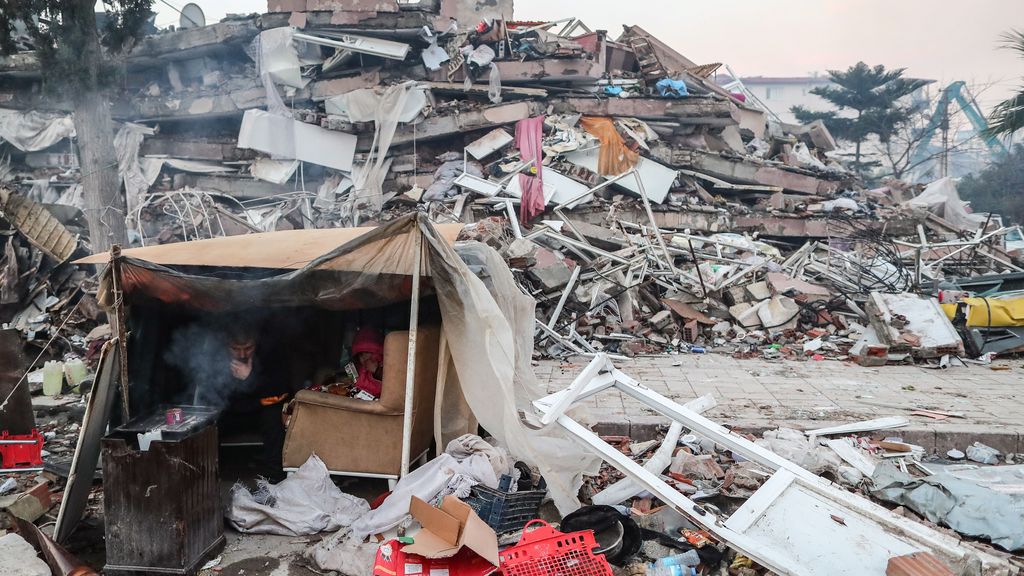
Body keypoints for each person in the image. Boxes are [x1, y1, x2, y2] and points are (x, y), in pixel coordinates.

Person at [218, 320, 291, 481]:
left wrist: (250, 378)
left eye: (248, 348)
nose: (243, 355)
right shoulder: (216, 359)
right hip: (230, 413)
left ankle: (275, 477)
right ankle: (211, 472)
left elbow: (281, 391)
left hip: (260, 411)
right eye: (236, 349)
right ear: (226, 345)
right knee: (210, 419)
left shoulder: (269, 354)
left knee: (273, 416)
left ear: (256, 343)